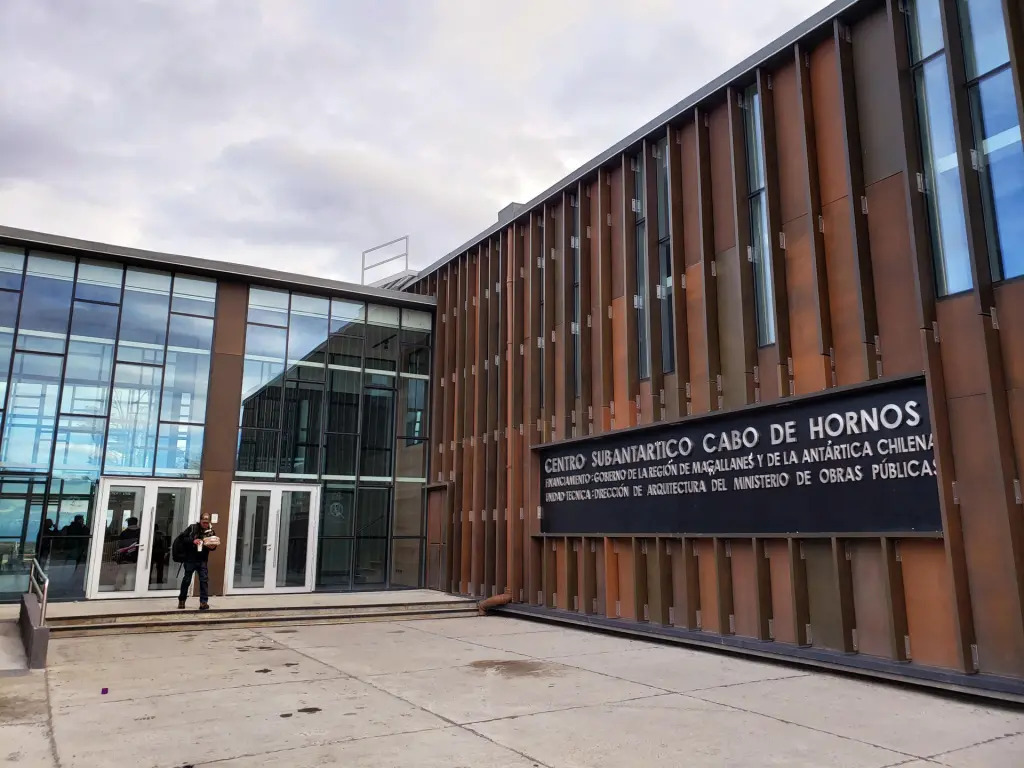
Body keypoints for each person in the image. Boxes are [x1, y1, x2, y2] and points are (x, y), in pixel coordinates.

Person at [177, 513, 215, 610]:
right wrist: (193, 541)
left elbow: (213, 546)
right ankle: (182, 600)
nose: (205, 524)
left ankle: (203, 602)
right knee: (187, 580)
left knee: (204, 580)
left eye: (207, 523)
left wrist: (211, 545)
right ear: (200, 521)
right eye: (203, 522)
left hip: (202, 559)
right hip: (190, 559)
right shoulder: (192, 528)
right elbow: (182, 539)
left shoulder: (210, 532)